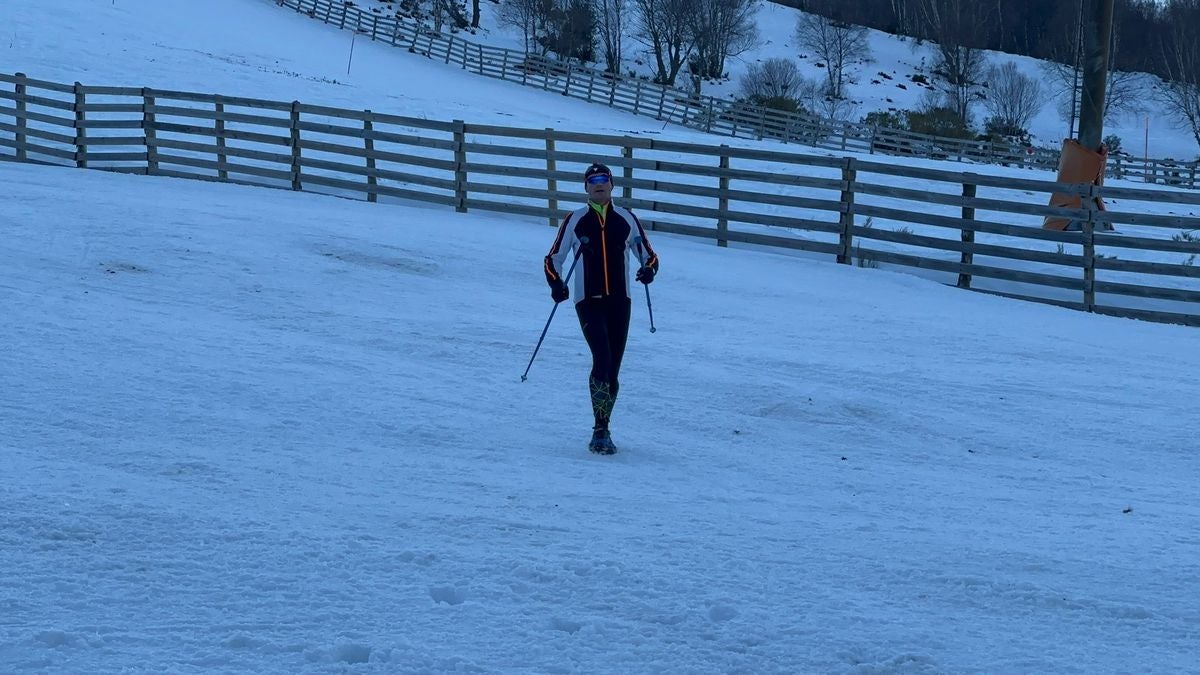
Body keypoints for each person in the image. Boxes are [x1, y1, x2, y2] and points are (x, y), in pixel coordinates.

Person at [543, 162, 659, 455]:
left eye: (603, 179)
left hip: (621, 302)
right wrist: (557, 284)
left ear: (611, 185)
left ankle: (605, 425)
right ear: (586, 187)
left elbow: (649, 255)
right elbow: (553, 258)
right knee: (602, 358)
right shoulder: (575, 220)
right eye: (592, 180)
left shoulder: (626, 218)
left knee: (614, 369)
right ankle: (599, 430)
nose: (598, 184)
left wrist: (648, 270)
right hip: (588, 300)